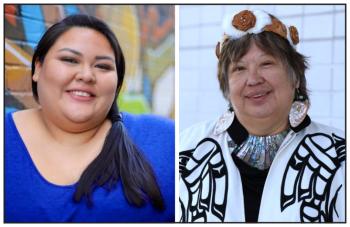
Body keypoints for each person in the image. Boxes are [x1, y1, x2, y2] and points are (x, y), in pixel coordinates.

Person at [179, 9, 345, 222]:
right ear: (227, 86)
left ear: (295, 76)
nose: (254, 79)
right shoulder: (187, 151)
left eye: (266, 64)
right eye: (239, 68)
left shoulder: (339, 157)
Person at [5, 14, 174, 222]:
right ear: (38, 68)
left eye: (103, 66)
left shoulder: (167, 140)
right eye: (69, 60)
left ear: (117, 84)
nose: (86, 75)